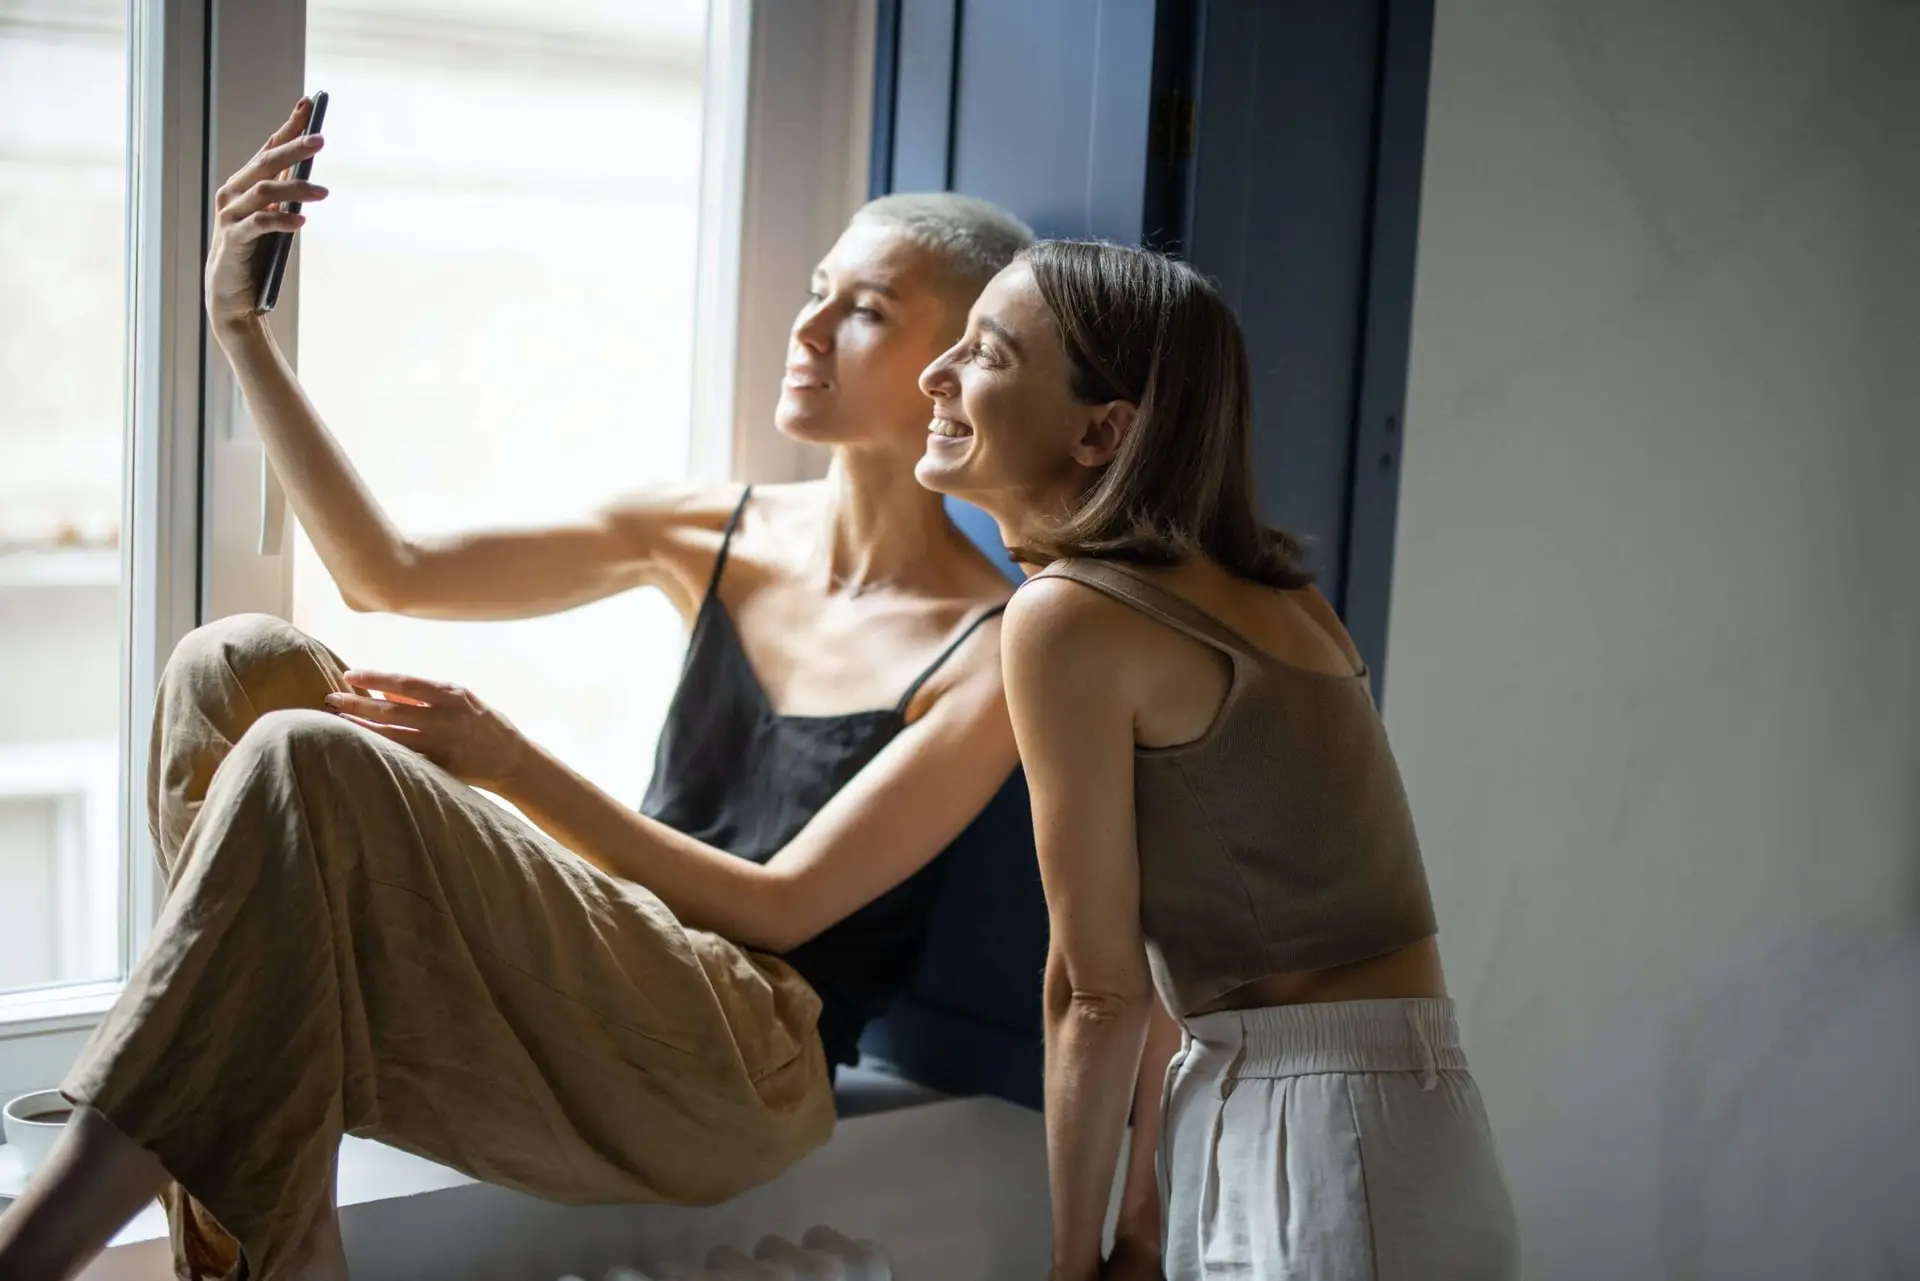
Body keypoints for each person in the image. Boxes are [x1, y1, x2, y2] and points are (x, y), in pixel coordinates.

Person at [0, 98, 1034, 1281]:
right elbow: (385, 573)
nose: (808, 329)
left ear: (955, 366)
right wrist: (240, 331)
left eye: (865, 312)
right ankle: (280, 1248)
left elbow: (786, 910)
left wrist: (509, 763)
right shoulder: (709, 528)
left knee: (307, 756)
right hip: (609, 990)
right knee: (234, 666)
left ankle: (36, 1253)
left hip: (744, 1059)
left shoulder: (994, 646)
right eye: (815, 287)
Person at [915, 240, 1519, 1281]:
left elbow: (1096, 993)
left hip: (1317, 1132)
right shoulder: (1283, 598)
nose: (937, 373)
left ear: (1102, 431)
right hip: (1391, 1117)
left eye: (987, 354)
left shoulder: (1067, 618)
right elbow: (1176, 976)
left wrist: (1072, 1260)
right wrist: (1146, 1215)